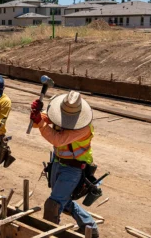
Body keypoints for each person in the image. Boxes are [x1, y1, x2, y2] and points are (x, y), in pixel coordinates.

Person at [30, 91, 99, 237]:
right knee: (64, 200)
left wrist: (41, 122)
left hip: (73, 169)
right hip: (57, 163)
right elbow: (43, 120)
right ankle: (90, 227)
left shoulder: (84, 127)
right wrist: (37, 114)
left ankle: (49, 234)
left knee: (53, 205)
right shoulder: (61, 115)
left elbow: (58, 139)